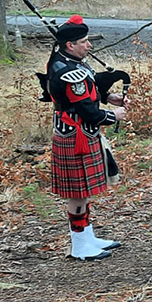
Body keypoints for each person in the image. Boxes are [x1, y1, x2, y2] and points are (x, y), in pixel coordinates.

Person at [47, 16, 127, 260]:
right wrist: (114, 115)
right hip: (76, 136)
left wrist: (108, 96)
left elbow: (87, 94)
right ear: (70, 45)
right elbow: (88, 112)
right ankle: (80, 246)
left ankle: (87, 237)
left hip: (79, 133)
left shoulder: (68, 60)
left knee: (83, 192)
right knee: (78, 192)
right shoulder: (69, 71)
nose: (89, 45)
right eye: (84, 41)